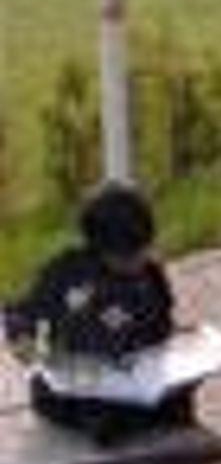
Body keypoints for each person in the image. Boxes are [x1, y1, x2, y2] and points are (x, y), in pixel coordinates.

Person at [4, 184, 196, 445]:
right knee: (94, 409)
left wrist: (180, 346)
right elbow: (20, 316)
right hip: (78, 381)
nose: (136, 262)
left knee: (178, 397)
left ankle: (143, 416)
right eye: (125, 257)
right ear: (98, 247)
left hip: (132, 374)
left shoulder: (151, 276)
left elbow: (161, 326)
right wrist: (29, 349)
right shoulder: (66, 273)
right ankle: (116, 423)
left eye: (142, 251)